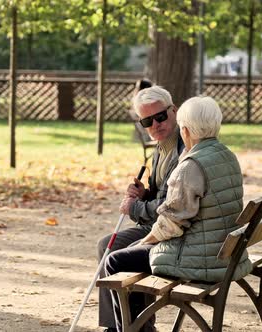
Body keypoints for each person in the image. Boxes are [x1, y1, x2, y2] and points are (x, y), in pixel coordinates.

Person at [104, 96, 252, 331]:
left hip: (201, 259)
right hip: (226, 253)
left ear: (184, 130)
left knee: (116, 260)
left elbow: (171, 224)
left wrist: (145, 241)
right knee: (126, 254)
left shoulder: (190, 166)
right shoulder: (227, 155)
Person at [97, 86, 184, 332]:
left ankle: (135, 327)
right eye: (147, 121)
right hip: (158, 227)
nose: (156, 124)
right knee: (106, 246)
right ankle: (118, 326)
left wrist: (135, 208)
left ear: (174, 111)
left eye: (161, 116)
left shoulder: (183, 150)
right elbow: (162, 195)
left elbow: (171, 208)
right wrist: (144, 194)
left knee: (117, 253)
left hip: (172, 232)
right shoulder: (160, 147)